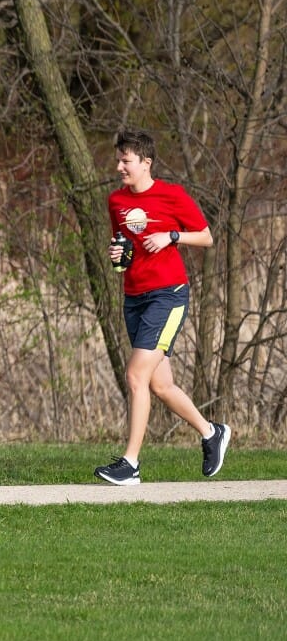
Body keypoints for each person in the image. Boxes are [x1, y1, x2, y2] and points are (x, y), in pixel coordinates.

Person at [95, 129, 229, 485]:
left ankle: (131, 464)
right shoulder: (116, 201)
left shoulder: (172, 195)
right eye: (119, 159)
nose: (119, 165)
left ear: (145, 163)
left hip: (168, 296)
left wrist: (171, 236)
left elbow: (206, 236)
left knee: (136, 376)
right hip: (134, 297)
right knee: (160, 384)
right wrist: (118, 256)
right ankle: (211, 432)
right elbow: (123, 248)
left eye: (126, 160)